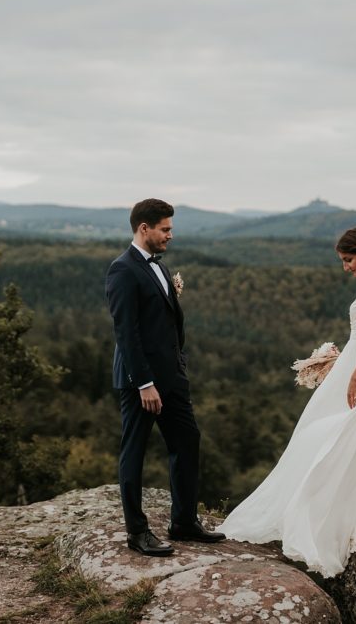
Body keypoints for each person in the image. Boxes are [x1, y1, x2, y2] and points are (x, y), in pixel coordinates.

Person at [217, 226, 356, 577]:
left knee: (328, 435)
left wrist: (354, 374)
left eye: (348, 260)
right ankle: (349, 512)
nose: (346, 267)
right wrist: (343, 357)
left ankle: (319, 515)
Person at [105, 198, 224, 557]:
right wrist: (144, 383)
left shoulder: (159, 265)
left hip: (172, 378)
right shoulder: (122, 270)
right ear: (145, 228)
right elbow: (127, 333)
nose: (170, 235)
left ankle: (184, 522)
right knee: (134, 453)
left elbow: (168, 323)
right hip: (140, 383)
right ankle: (137, 533)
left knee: (187, 441)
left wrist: (179, 364)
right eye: (165, 229)